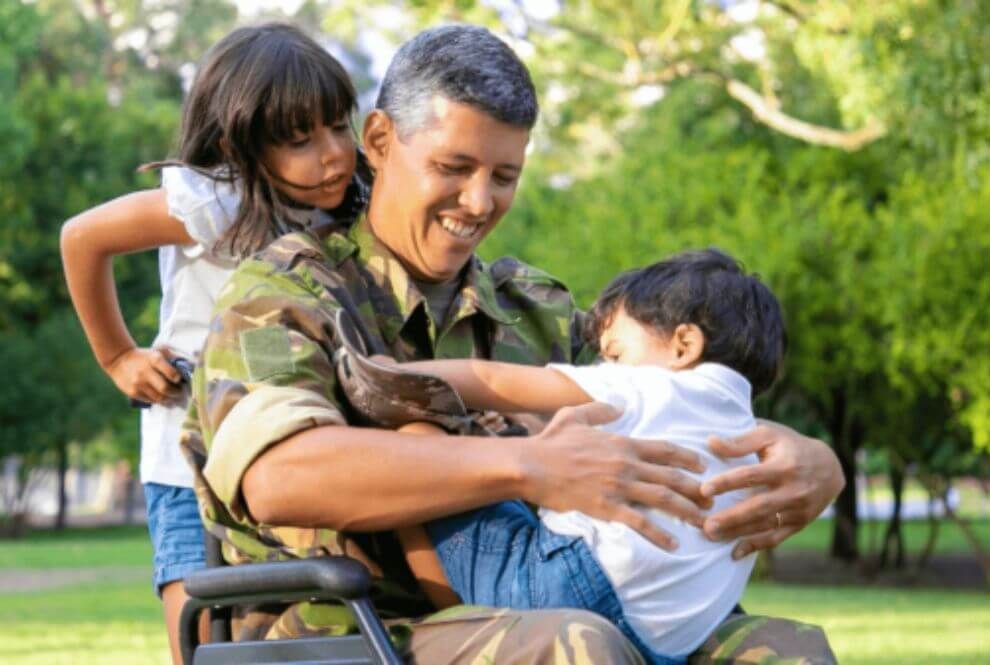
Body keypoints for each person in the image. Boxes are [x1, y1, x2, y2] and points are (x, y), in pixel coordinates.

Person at [181, 24, 842, 663]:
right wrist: (531, 466)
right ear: (379, 141)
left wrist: (812, 460)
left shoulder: (534, 310)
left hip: (546, 603)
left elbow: (661, 393)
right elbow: (280, 475)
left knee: (789, 649)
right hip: (353, 632)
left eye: (503, 176)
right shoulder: (280, 294)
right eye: (454, 166)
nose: (477, 201)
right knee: (574, 643)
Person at [59, 23, 367, 665]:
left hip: (290, 461)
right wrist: (117, 355)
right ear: (241, 145)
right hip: (188, 463)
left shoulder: (344, 208)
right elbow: (82, 237)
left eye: (340, 126)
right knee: (201, 644)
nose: (334, 154)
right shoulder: (215, 200)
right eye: (301, 139)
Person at [339, 248, 788, 664]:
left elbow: (498, 381)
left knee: (420, 443)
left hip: (565, 589)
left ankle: (461, 607)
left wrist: (397, 375)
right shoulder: (750, 441)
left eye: (614, 353)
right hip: (666, 642)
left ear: (683, 345)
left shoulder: (646, 385)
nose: (605, 367)